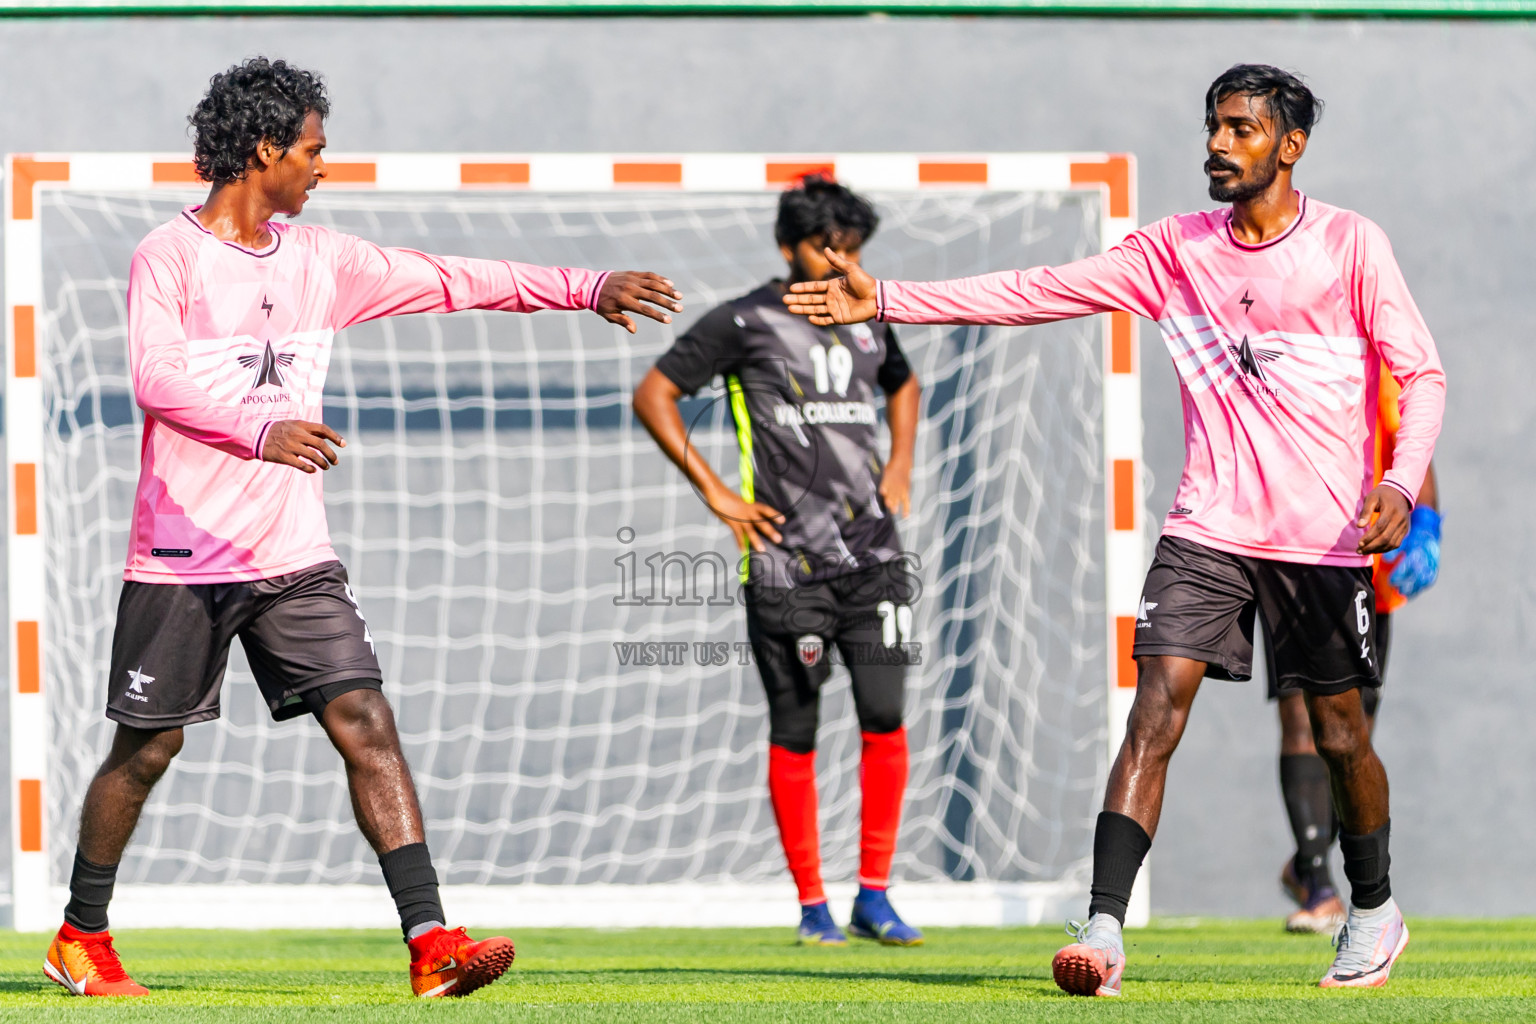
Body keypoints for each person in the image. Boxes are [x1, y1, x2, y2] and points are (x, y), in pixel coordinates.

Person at [782, 65, 1443, 993]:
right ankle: (1103, 929)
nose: (1219, 144)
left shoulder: (1350, 246)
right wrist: (885, 298)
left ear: (1289, 146)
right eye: (1214, 126)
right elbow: (1031, 290)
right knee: (1153, 713)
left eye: (1242, 130)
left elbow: (1424, 379)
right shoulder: (1173, 251)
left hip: (1321, 542)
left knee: (1340, 736)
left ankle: (1372, 911)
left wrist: (1403, 486)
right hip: (1207, 531)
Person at [42, 57, 682, 999]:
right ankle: (80, 936)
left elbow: (455, 278)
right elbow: (158, 380)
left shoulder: (321, 259)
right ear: (265, 151)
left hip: (294, 554)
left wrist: (587, 287)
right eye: (313, 149)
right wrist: (261, 429)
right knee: (148, 749)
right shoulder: (167, 256)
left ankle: (432, 943)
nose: (322, 166)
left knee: (365, 720)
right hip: (182, 556)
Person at [633, 175, 924, 946]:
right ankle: (813, 908)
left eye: (853, 249)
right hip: (784, 564)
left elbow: (904, 383)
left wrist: (899, 468)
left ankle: (875, 895)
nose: (840, 263)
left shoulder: (866, 315)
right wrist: (716, 492)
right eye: (827, 248)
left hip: (874, 558)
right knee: (796, 726)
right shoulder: (744, 320)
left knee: (886, 717)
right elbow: (655, 393)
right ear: (788, 247)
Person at [1275, 373, 1441, 933]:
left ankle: (1307, 864)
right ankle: (1320, 887)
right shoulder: (1287, 354)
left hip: (1366, 577)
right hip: (1291, 564)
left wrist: (1427, 526)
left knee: (1348, 736)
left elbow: (1414, 455)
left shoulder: (1382, 368)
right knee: (1302, 721)